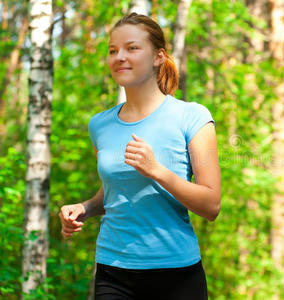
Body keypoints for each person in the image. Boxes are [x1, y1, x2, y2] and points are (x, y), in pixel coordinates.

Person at [58, 12, 221, 300]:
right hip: (113, 270)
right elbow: (115, 192)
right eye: (112, 50)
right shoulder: (100, 125)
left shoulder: (192, 117)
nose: (119, 56)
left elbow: (211, 205)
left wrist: (157, 170)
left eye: (132, 48)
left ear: (159, 56)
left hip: (177, 274)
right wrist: (85, 207)